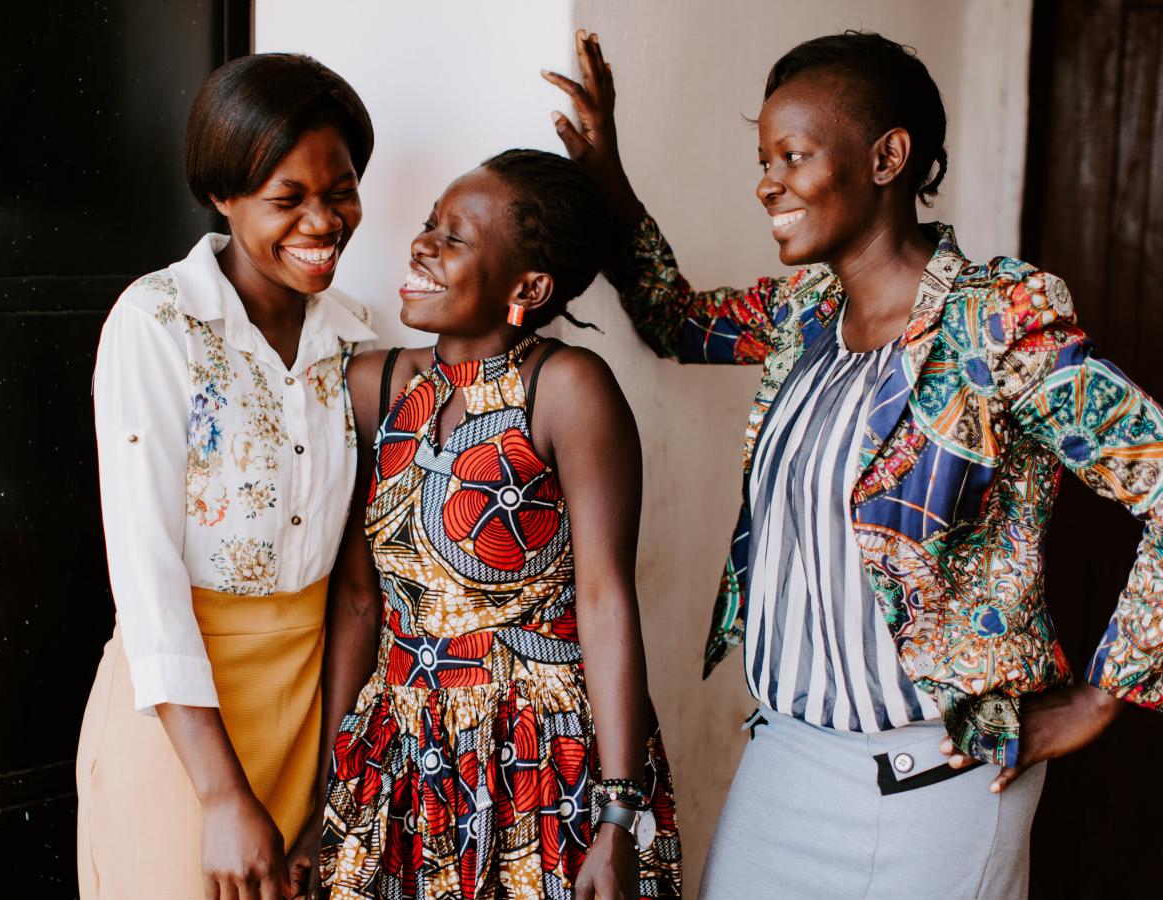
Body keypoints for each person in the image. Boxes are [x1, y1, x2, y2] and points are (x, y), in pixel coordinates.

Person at [543, 28, 1163, 898]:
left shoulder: (995, 321)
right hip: (787, 759)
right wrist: (609, 182)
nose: (768, 181)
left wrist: (1102, 697)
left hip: (937, 782)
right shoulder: (804, 313)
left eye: (792, 155)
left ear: (887, 157)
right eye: (763, 158)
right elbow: (672, 318)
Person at [306, 149, 682, 900]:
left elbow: (605, 601)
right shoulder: (371, 385)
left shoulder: (565, 389)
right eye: (427, 228)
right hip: (401, 753)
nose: (422, 247)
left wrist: (616, 815)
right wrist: (326, 792)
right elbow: (357, 601)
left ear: (528, 286)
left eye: (454, 237)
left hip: (540, 763)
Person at [75, 53, 377, 900]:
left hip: (310, 710)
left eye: (342, 190)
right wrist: (219, 794)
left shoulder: (358, 340)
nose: (323, 222)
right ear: (222, 194)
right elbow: (146, 573)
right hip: (179, 719)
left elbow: (359, 580)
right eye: (288, 199)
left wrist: (332, 785)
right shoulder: (157, 323)